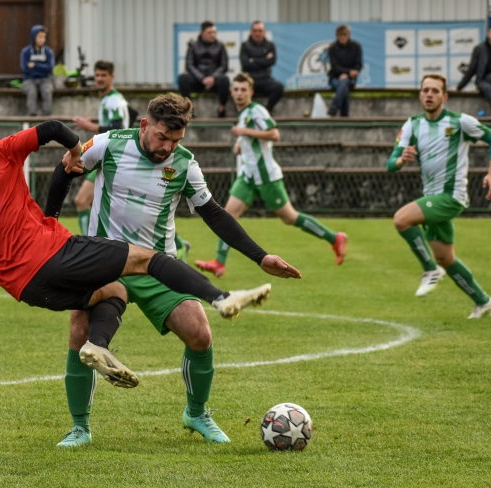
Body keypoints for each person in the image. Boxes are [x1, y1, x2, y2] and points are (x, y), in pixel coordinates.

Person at [0, 111, 298, 388]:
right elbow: (51, 126)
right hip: (52, 251)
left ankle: (98, 345)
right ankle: (223, 297)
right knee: (146, 257)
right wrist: (72, 150)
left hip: (22, 286)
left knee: (114, 290)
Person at [44, 93, 301, 447]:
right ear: (144, 125)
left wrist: (260, 257)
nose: (166, 147)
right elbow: (64, 169)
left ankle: (196, 413)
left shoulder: (185, 164)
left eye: (175, 141)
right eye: (162, 137)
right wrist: (49, 224)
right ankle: (79, 427)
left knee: (200, 333)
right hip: (105, 262)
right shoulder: (107, 144)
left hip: (158, 266)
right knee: (80, 331)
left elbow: (214, 214)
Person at [196, 74, 347, 277]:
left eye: (243, 90)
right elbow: (252, 136)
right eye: (236, 89)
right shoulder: (244, 114)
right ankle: (219, 262)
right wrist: (242, 143)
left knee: (289, 217)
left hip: (266, 176)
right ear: (231, 92)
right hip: (248, 175)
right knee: (228, 215)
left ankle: (334, 238)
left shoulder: (257, 110)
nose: (239, 93)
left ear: (250, 92)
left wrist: (245, 133)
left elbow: (274, 134)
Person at [388, 74, 491, 318]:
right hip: (431, 198)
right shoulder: (411, 125)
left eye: (435, 91)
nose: (429, 94)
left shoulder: (460, 122)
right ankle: (482, 301)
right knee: (446, 258)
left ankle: (429, 269)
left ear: (444, 96)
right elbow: (390, 164)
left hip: (452, 196)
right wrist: (400, 159)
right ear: (419, 94)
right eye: (425, 90)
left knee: (401, 219)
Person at [73, 61, 191, 259]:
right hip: (113, 155)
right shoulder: (112, 100)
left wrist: (90, 127)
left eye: (104, 75)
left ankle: (88, 244)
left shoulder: (113, 100)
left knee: (82, 200)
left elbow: (117, 128)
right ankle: (178, 244)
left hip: (117, 157)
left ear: (112, 77)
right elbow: (130, 117)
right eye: (97, 75)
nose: (99, 79)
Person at [178, 21, 231, 117]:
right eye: (210, 33)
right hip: (198, 79)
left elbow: (224, 65)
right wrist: (202, 78)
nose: (213, 35)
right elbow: (189, 65)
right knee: (183, 78)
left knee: (225, 80)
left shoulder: (220, 46)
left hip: (215, 79)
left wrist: (213, 78)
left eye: (214, 32)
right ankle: (189, 109)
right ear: (202, 33)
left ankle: (222, 108)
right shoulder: (193, 46)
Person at [239, 20, 284, 112]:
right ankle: (247, 113)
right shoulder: (245, 46)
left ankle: (267, 111)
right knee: (240, 91)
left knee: (279, 88)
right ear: (251, 32)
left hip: (265, 79)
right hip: (250, 80)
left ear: (264, 32)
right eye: (255, 31)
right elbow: (246, 64)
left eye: (260, 31)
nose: (257, 33)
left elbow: (272, 61)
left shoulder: (270, 45)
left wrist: (253, 60)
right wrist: (264, 60)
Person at [327, 24, 362, 117]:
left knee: (344, 82)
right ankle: (344, 114)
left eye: (344, 34)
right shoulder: (332, 48)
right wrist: (347, 73)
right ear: (337, 36)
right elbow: (334, 67)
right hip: (335, 78)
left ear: (348, 35)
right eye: (340, 35)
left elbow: (358, 65)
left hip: (350, 79)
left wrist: (349, 74)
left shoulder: (356, 46)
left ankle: (334, 108)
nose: (342, 37)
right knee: (343, 85)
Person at [20, 25, 55, 116]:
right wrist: (43, 67)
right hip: (29, 79)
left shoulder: (48, 52)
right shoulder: (26, 52)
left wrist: (35, 65)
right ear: (34, 37)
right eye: (40, 37)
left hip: (45, 79)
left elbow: (50, 68)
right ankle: (32, 116)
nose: (42, 40)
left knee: (47, 91)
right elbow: (25, 68)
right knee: (31, 92)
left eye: (44, 37)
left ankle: (46, 116)